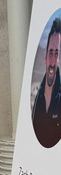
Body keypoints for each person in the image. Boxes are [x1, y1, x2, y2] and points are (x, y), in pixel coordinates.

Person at [32, 17, 61, 148]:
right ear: (45, 57)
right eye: (50, 53)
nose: (53, 61)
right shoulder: (38, 97)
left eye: (56, 53)